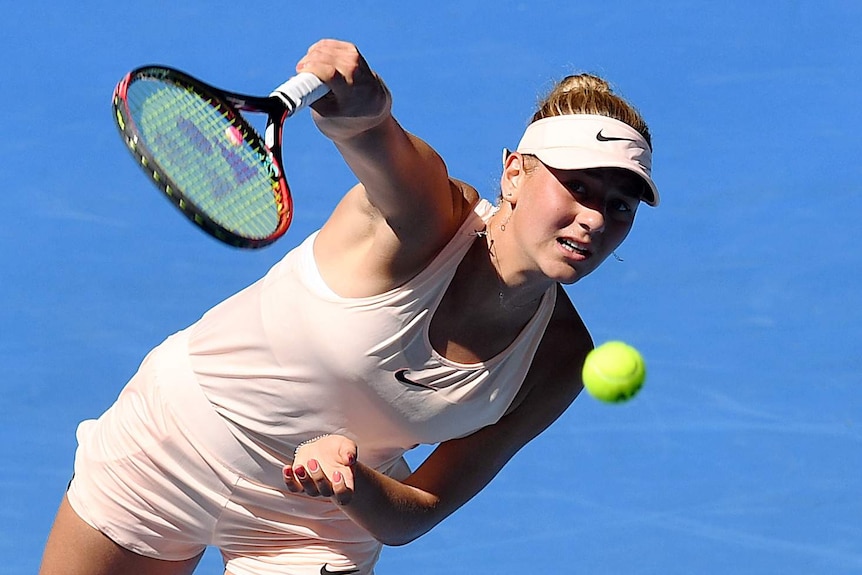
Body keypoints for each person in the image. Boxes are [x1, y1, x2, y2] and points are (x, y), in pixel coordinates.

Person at [39, 38, 660, 575]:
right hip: (173, 439)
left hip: (315, 522)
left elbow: (419, 511)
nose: (594, 219)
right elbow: (374, 137)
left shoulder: (558, 358)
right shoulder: (424, 217)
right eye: (576, 187)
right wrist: (362, 107)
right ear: (515, 174)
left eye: (620, 205)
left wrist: (353, 482)